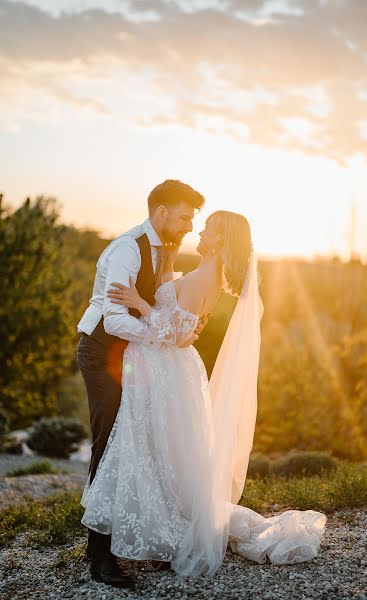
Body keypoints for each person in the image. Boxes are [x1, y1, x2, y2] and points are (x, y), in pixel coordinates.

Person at [80, 210, 327, 580]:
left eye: (209, 227)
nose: (201, 230)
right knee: (162, 453)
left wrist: (138, 299)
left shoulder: (204, 277)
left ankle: (138, 540)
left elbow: (176, 334)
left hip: (164, 367)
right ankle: (134, 538)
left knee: (147, 449)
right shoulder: (203, 274)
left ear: (221, 240)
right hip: (163, 367)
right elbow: (180, 317)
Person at [76, 179, 206, 587]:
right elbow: (113, 319)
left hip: (133, 356)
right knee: (112, 439)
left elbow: (164, 298)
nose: (188, 226)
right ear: (162, 212)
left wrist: (181, 323)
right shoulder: (126, 250)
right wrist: (163, 334)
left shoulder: (163, 248)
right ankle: (99, 554)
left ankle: (140, 534)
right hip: (102, 353)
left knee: (141, 439)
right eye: (184, 217)